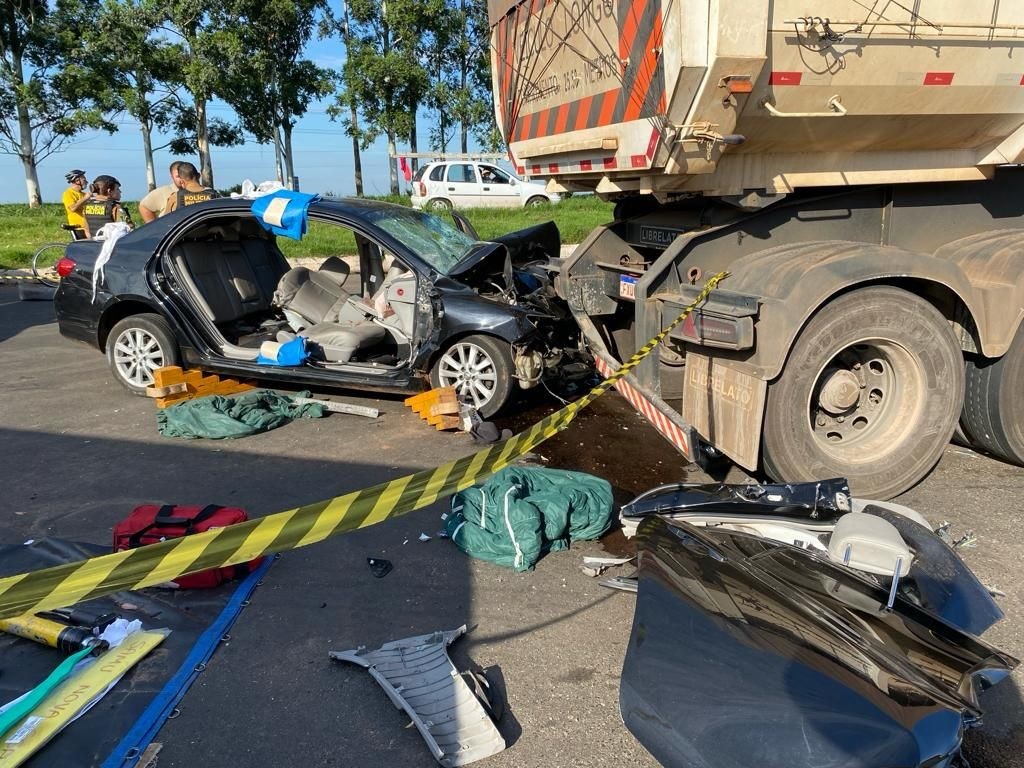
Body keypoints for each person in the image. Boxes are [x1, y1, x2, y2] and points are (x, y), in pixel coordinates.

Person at [62, 170, 90, 239]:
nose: (86, 182)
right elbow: (72, 208)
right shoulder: (68, 193)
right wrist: (85, 198)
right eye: (84, 180)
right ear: (77, 181)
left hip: (88, 227)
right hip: (78, 228)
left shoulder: (84, 194)